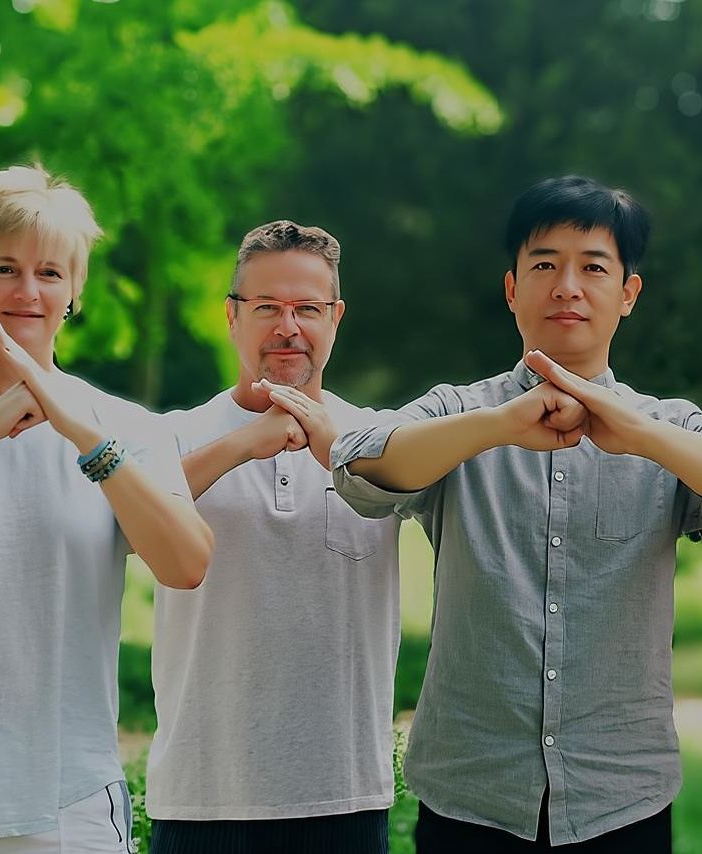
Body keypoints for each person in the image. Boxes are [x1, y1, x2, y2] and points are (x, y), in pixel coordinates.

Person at [331, 175, 702, 852]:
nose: (567, 286)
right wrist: (498, 426)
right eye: (544, 265)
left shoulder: (668, 425)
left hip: (621, 796)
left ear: (628, 294)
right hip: (472, 794)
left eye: (593, 268)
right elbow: (358, 465)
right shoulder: (461, 413)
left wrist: (637, 435)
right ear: (512, 289)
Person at [0, 164, 212, 852]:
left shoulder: (125, 427)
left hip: (69, 805)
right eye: (3, 268)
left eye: (50, 273)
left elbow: (187, 564)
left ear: (74, 291)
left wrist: (84, 435)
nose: (28, 290)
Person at [146, 220, 401, 854]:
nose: (288, 326)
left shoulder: (382, 438)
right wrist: (243, 444)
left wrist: (336, 450)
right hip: (201, 796)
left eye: (307, 309)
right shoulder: (171, 436)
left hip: (345, 793)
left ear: (336, 318)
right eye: (266, 307)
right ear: (231, 316)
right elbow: (130, 522)